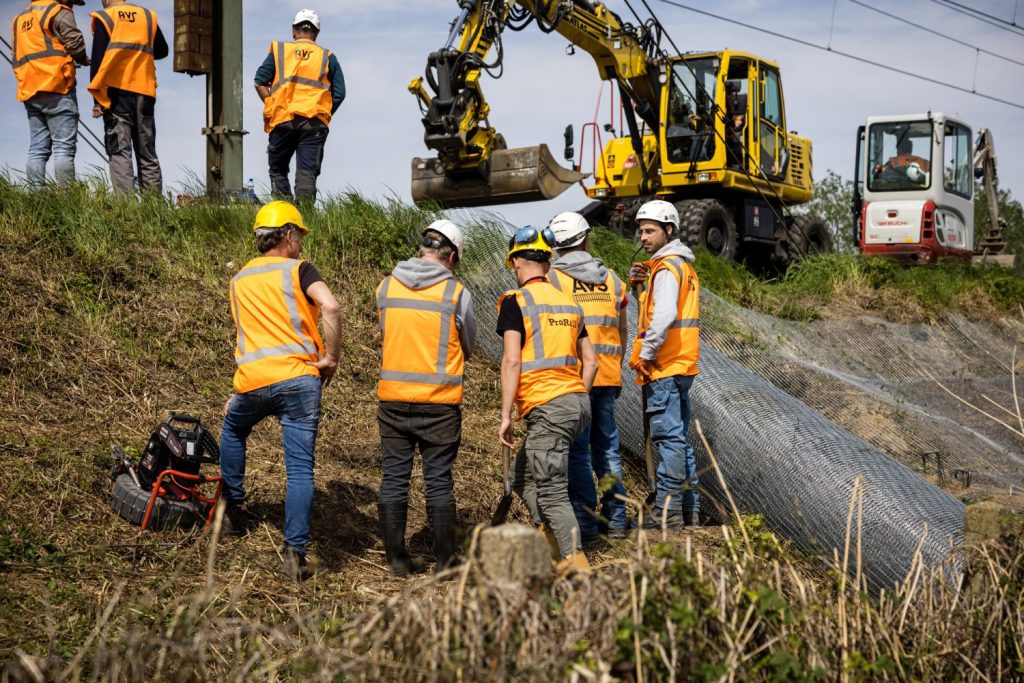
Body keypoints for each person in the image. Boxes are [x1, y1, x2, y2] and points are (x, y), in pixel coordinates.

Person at [219, 200, 342, 582]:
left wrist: (237, 388)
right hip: (298, 380)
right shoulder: (299, 270)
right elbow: (332, 307)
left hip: (252, 381)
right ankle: (294, 554)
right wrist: (331, 358)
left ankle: (232, 510)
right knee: (300, 468)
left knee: (233, 429)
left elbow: (249, 337)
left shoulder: (238, 280)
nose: (301, 244)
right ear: (288, 234)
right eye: (300, 236)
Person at [375, 220, 477, 576]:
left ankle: (397, 561)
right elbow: (468, 346)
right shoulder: (456, 294)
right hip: (440, 403)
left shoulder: (387, 286)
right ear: (451, 258)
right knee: (438, 480)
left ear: (422, 249)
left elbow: (387, 332)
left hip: (392, 399)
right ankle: (446, 562)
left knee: (394, 478)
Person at [498, 226, 598, 574]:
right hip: (577, 403)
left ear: (516, 262)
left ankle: (577, 566)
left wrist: (506, 414)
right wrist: (577, 395)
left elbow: (512, 360)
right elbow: (592, 361)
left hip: (548, 405)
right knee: (523, 474)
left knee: (553, 491)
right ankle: (554, 547)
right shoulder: (569, 302)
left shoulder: (516, 302)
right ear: (548, 262)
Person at [547, 212, 631, 544]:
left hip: (575, 378)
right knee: (608, 450)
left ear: (556, 246)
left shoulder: (553, 280)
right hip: (608, 375)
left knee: (578, 452)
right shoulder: (612, 279)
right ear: (586, 238)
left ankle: (586, 524)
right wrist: (616, 364)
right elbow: (623, 329)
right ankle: (618, 520)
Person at [628, 199, 701, 531]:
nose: (643, 237)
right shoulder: (680, 265)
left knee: (668, 439)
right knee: (679, 439)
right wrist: (638, 288)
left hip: (666, 366)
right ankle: (690, 511)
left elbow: (665, 316)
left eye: (649, 230)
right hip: (681, 365)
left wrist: (646, 355)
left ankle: (667, 513)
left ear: (668, 230)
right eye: (641, 231)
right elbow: (657, 308)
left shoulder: (668, 268)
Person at [255, 9, 345, 203]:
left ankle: (284, 217)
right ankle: (305, 220)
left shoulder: (280, 51)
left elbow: (259, 82)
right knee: (306, 173)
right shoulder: (328, 57)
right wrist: (324, 113)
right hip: (314, 124)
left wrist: (272, 104)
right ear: (316, 33)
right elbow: (340, 93)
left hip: (283, 121)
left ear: (293, 31)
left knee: (278, 170)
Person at [87, 0, 168, 194]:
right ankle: (153, 209)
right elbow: (162, 50)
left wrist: (98, 100)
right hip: (145, 92)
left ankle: (127, 212)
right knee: (147, 152)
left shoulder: (105, 17)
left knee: (120, 151)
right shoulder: (147, 16)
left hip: (117, 94)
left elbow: (98, 60)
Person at [10, 0, 90, 187]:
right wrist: (82, 59)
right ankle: (67, 200)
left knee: (37, 148)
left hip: (29, 88)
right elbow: (75, 42)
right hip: (57, 86)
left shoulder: (18, 19)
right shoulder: (58, 11)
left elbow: (17, 53)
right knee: (63, 148)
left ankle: (36, 197)